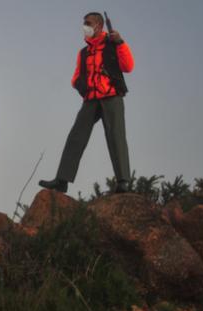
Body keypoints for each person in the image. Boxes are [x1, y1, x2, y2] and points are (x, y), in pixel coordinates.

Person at [39, 12, 135, 194]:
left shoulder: (113, 44)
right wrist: (84, 88)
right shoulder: (83, 52)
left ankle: (123, 181)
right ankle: (62, 180)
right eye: (84, 23)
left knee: (116, 136)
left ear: (99, 26)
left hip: (112, 95)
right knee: (76, 136)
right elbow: (75, 78)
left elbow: (128, 66)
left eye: (88, 23)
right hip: (91, 99)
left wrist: (121, 43)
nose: (85, 27)